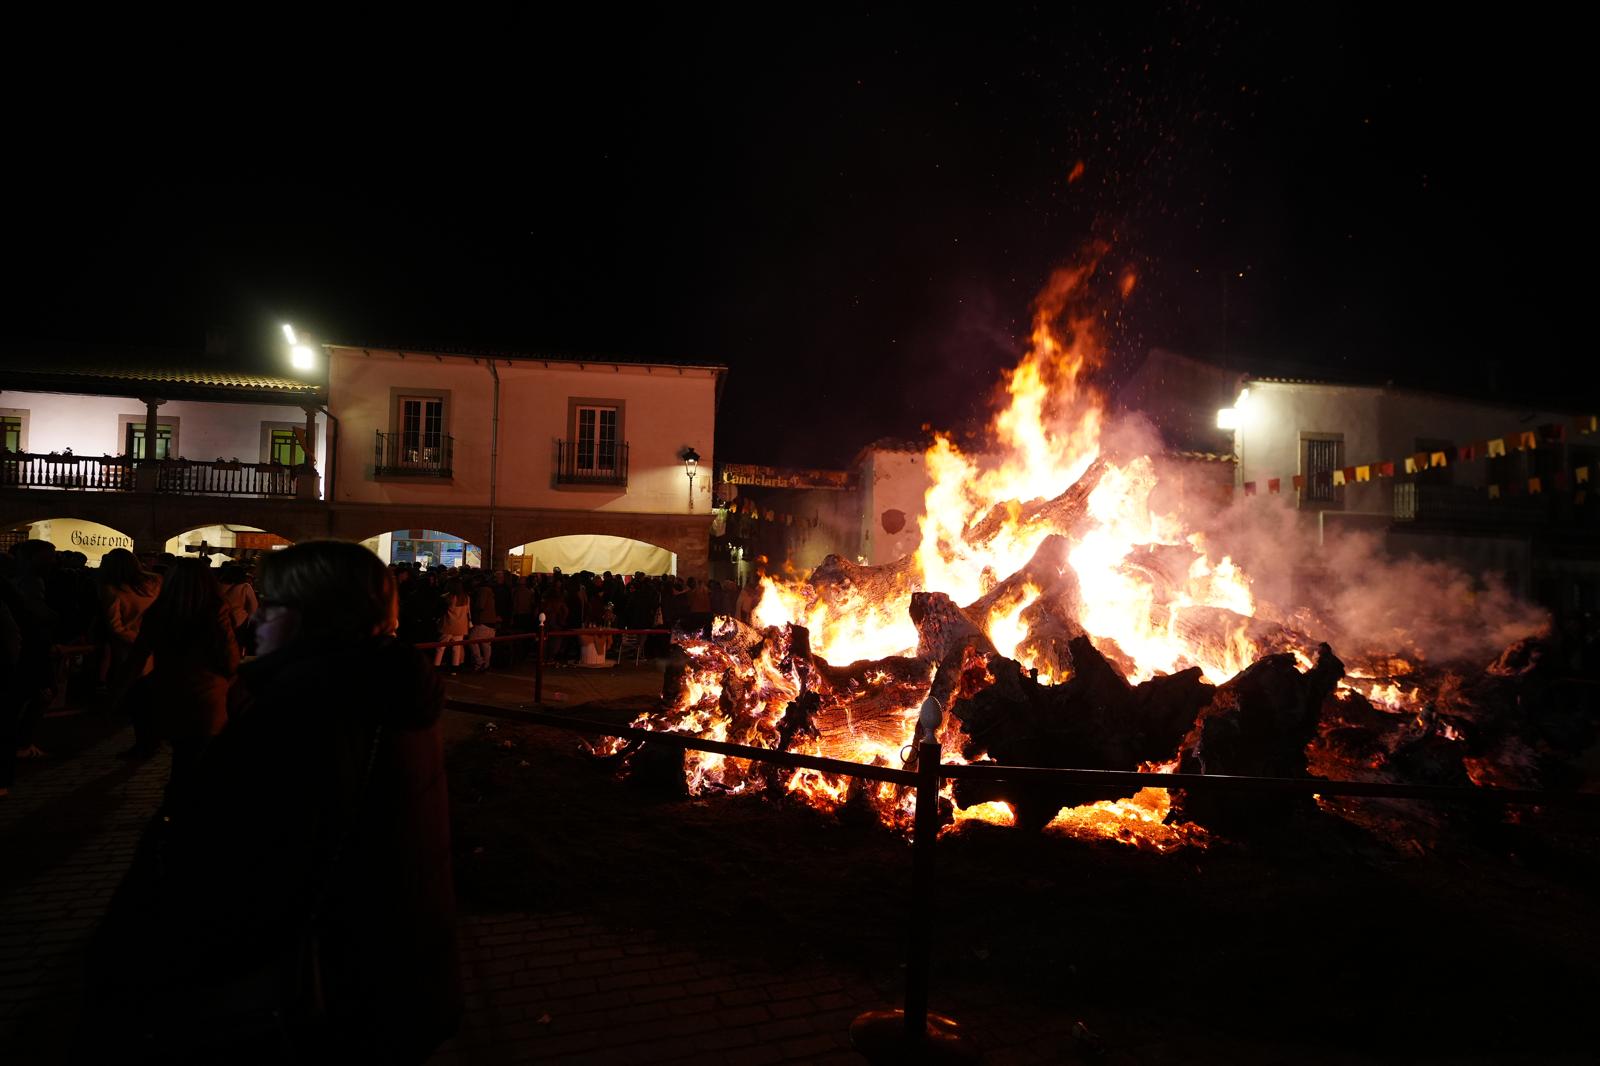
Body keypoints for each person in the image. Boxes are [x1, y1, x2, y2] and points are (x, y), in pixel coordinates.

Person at [86, 539, 460, 1064]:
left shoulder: (309, 709)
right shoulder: (382, 687)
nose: (256, 615)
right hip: (379, 979)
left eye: (273, 602)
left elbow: (236, 864)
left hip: (314, 995)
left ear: (317, 616)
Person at [130, 559, 240, 802]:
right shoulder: (214, 610)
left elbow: (140, 652)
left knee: (183, 754)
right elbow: (229, 657)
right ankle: (180, 814)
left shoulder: (158, 611)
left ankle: (176, 807)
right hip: (206, 693)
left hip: (168, 690)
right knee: (198, 759)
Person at [435, 579, 471, 670]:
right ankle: (455, 669)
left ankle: (436, 667)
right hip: (461, 626)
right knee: (457, 648)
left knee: (440, 648)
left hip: (448, 624)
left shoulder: (446, 597)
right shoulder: (466, 597)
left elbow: (440, 611)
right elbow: (468, 611)